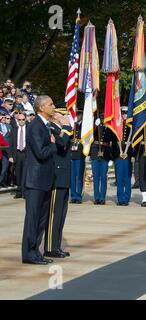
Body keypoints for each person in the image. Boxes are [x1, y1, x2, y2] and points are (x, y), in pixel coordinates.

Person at [21, 95, 57, 265]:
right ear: (41, 108)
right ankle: (28, 253)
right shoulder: (36, 126)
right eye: (50, 104)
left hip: (44, 180)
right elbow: (41, 153)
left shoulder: (45, 125)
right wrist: (53, 144)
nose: (54, 106)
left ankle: (36, 252)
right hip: (35, 180)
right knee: (33, 219)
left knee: (41, 219)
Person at [44, 109, 72, 258]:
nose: (67, 117)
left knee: (61, 215)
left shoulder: (60, 129)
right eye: (64, 115)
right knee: (54, 214)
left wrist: (66, 129)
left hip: (64, 176)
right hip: (56, 175)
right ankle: (50, 247)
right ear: (56, 115)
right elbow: (61, 143)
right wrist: (67, 128)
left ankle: (56, 246)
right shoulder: (51, 128)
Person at [90, 116, 113, 205]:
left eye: (104, 118)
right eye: (102, 118)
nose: (103, 120)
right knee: (96, 178)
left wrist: (111, 157)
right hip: (95, 153)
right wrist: (96, 126)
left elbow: (112, 140)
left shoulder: (110, 127)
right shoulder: (94, 126)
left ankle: (102, 197)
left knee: (103, 177)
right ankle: (96, 198)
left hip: (105, 153)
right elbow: (90, 135)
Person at [113, 107, 133, 206]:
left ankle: (126, 198)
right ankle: (120, 199)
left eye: (126, 113)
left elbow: (134, 142)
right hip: (118, 156)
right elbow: (113, 142)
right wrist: (113, 156)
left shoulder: (132, 126)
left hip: (128, 156)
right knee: (119, 178)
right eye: (123, 113)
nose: (124, 115)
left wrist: (132, 155)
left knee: (127, 178)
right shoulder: (117, 126)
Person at [8, 112, 27, 198]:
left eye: (23, 119)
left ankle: (25, 192)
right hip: (17, 153)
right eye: (19, 119)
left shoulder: (29, 129)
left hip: (26, 154)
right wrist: (10, 156)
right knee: (18, 173)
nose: (21, 121)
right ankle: (19, 191)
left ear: (25, 119)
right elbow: (10, 144)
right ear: (17, 120)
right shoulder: (14, 129)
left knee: (26, 173)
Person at [70, 110, 85, 204]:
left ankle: (78, 196)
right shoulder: (72, 126)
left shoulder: (84, 126)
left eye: (79, 114)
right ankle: (73, 195)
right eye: (76, 114)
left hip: (80, 153)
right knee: (72, 177)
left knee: (79, 176)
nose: (78, 116)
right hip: (72, 153)